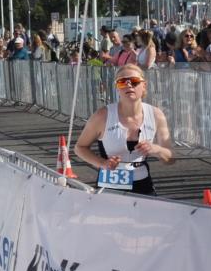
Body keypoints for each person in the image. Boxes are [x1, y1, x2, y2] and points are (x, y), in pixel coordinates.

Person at [74, 64, 174, 197]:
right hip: (110, 185)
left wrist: (156, 149)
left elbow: (170, 158)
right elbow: (80, 147)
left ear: (144, 85)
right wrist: (102, 163)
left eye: (134, 81)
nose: (128, 85)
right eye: (122, 82)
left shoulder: (156, 115)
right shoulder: (102, 116)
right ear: (117, 87)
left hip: (143, 183)